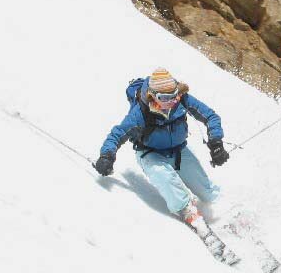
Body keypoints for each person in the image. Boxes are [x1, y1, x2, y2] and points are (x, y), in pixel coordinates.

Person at [94, 68, 229, 232]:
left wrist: (216, 143)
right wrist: (107, 156)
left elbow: (210, 116)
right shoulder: (140, 114)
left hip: (178, 151)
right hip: (150, 153)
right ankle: (186, 210)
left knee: (204, 188)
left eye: (174, 96)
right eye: (164, 98)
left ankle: (224, 210)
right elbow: (117, 134)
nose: (171, 102)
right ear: (153, 96)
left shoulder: (182, 100)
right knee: (164, 176)